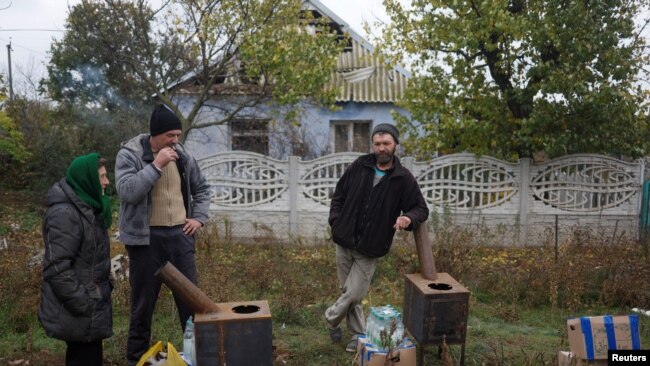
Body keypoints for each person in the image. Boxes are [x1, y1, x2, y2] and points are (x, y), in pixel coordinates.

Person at [115, 104, 211, 365]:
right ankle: (135, 359)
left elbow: (202, 189)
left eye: (178, 136)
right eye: (171, 136)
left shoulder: (183, 156)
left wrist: (199, 219)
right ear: (155, 134)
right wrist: (156, 166)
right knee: (143, 304)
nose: (176, 141)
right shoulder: (130, 155)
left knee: (190, 302)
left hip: (180, 237)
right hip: (146, 241)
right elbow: (128, 192)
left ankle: (197, 356)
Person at [325, 123, 429, 352]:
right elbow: (339, 195)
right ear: (373, 145)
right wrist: (336, 221)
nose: (381, 148)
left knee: (354, 293)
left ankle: (331, 318)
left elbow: (421, 209)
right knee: (348, 294)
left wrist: (408, 218)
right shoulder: (359, 166)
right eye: (377, 144)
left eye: (386, 144)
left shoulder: (403, 178)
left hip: (370, 247)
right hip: (343, 241)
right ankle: (357, 335)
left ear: (395, 145)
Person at [39, 153, 113, 366]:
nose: (107, 182)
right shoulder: (65, 213)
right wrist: (85, 303)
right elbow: (56, 268)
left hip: (90, 307)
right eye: (102, 176)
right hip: (80, 309)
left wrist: (104, 288)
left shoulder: (87, 208)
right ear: (86, 179)